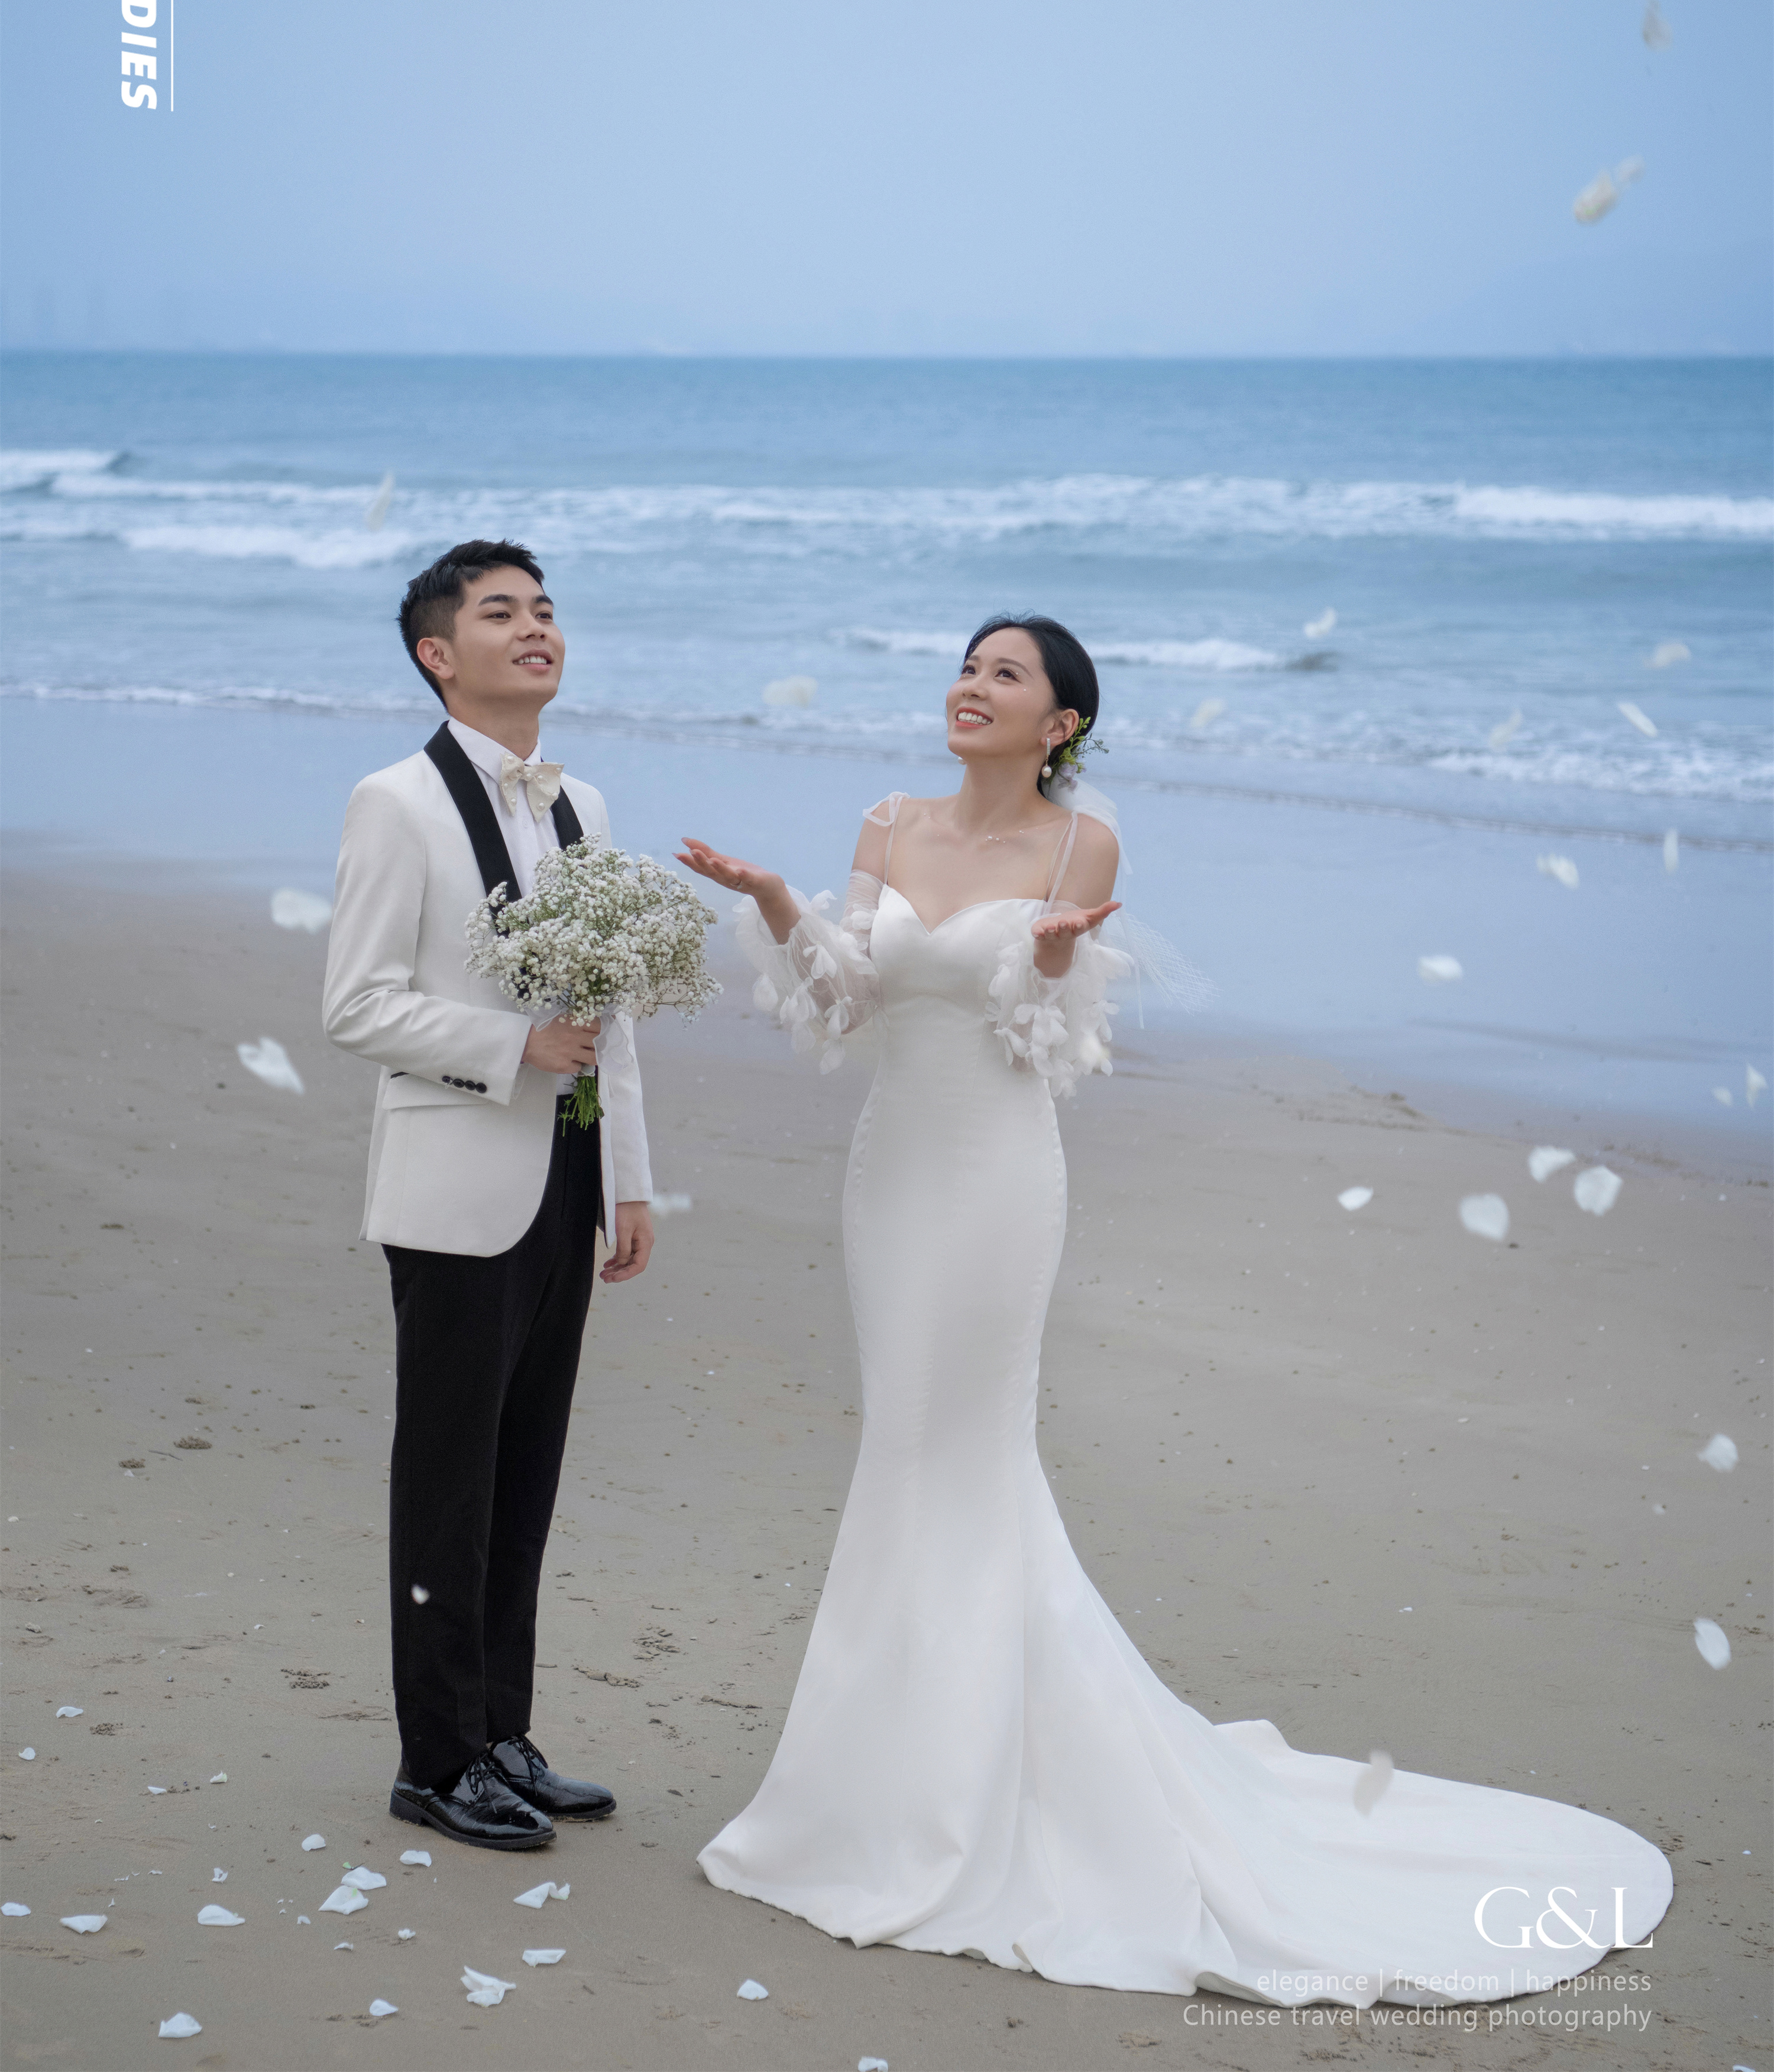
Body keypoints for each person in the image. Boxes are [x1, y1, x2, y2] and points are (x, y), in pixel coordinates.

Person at [676, 613, 1672, 2005]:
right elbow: (845, 1002)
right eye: (968, 664)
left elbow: (1040, 1040)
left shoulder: (1081, 847)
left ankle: (950, 1792)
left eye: (1006, 673)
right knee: (901, 1446)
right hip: (891, 1173)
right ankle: (872, 1787)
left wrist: (1054, 959)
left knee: (969, 1453)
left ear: (1061, 723)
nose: (972, 684)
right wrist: (781, 902)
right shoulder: (889, 821)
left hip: (999, 1176)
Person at [323, 539, 656, 1851]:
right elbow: (357, 1005)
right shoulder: (395, 801)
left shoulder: (584, 806)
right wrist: (514, 1045)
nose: (536, 628)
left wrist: (629, 1178)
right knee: (448, 1483)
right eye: (501, 611)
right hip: (455, 1182)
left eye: (547, 609)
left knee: (525, 1477)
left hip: (565, 1179)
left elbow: (610, 1013)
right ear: (436, 653)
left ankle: (501, 1734)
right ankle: (434, 1758)